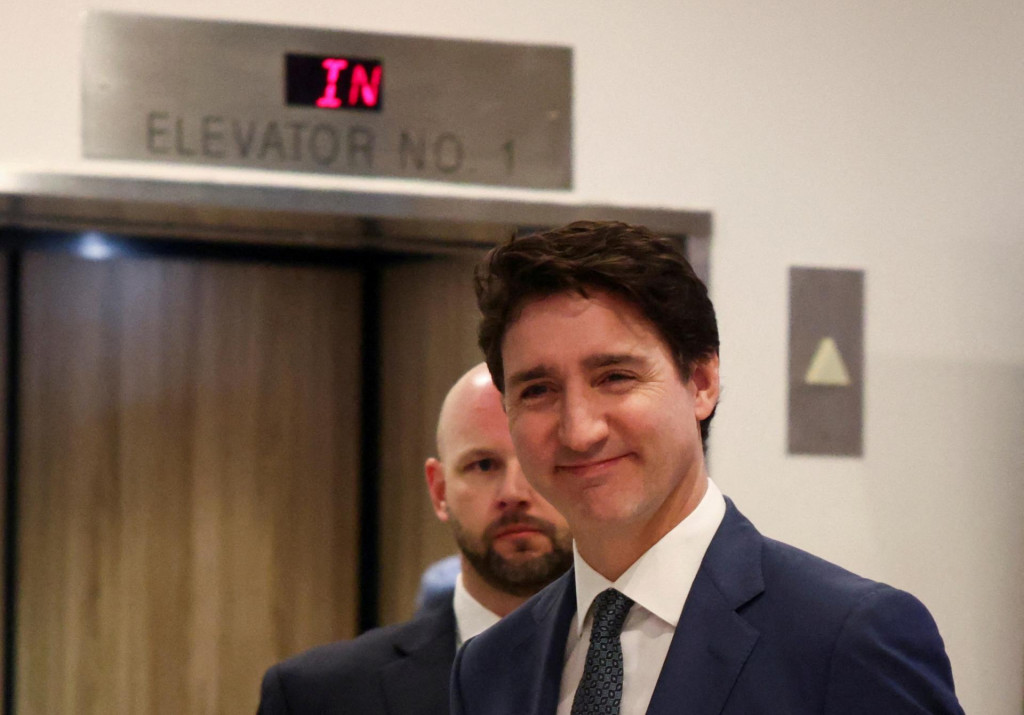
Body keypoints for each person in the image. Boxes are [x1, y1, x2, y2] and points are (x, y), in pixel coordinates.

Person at [451, 221, 963, 714]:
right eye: (538, 390)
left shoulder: (846, 639)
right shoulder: (489, 667)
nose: (579, 430)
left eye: (615, 377)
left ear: (700, 382)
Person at [257, 363, 572, 714]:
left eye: (535, 461)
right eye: (483, 465)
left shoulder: (641, 670)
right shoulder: (313, 697)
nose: (514, 493)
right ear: (439, 491)